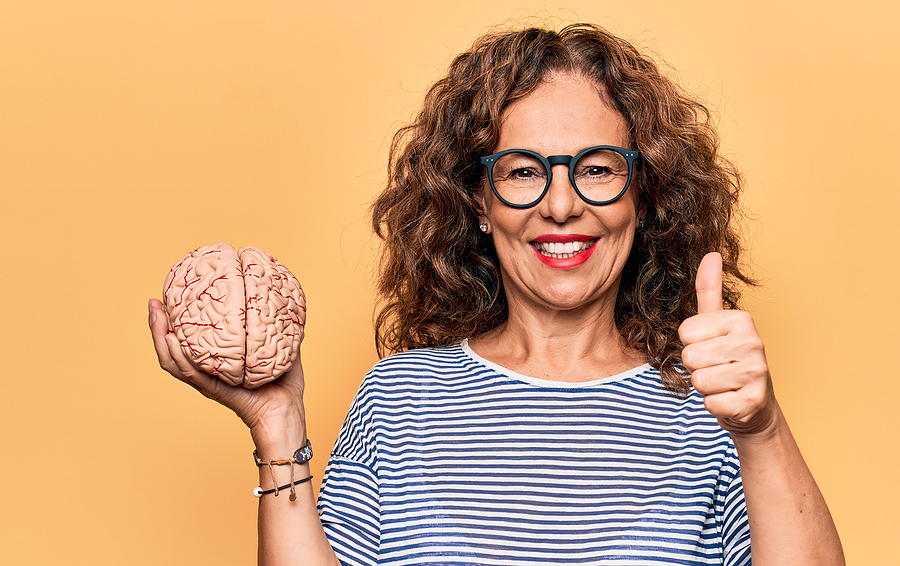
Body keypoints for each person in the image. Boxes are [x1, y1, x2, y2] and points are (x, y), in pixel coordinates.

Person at [148, 23, 844, 565]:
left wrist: (760, 429)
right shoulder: (398, 398)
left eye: (598, 169)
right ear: (479, 202)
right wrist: (278, 427)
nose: (562, 205)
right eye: (521, 172)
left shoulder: (714, 407)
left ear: (644, 192)